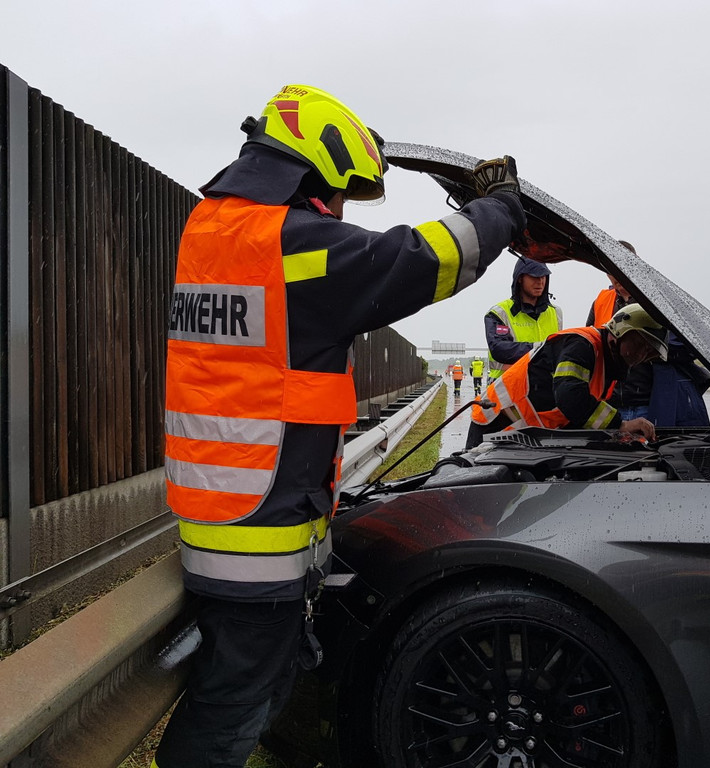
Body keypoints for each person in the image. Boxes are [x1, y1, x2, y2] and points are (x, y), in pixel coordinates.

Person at [157, 84, 525, 768]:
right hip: (259, 532)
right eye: (339, 194)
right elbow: (423, 260)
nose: (340, 211)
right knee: (232, 712)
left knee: (243, 697)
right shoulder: (287, 245)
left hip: (225, 513)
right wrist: (501, 207)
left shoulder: (212, 231)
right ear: (314, 167)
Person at [466, 303, 665, 449]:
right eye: (640, 345)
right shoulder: (582, 345)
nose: (642, 356)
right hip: (496, 424)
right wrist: (621, 425)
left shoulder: (607, 365)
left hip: (524, 433)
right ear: (620, 332)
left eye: (650, 353)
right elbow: (570, 396)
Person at [587, 241, 710, 427]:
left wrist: (648, 347)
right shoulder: (601, 301)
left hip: (651, 403)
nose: (617, 277)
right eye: (611, 271)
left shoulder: (660, 300)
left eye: (621, 268)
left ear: (635, 263)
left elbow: (690, 347)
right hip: (611, 404)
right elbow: (593, 345)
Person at [484, 257, 563, 380]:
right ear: (520, 278)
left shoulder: (556, 313)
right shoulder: (499, 313)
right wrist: (541, 349)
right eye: (534, 276)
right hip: (508, 387)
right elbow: (499, 349)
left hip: (545, 387)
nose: (540, 282)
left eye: (543, 276)